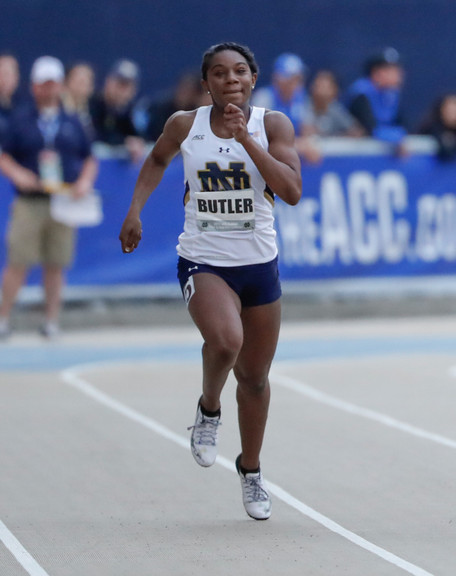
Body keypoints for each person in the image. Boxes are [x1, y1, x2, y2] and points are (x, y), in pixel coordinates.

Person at [118, 42, 302, 520]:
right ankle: (208, 409)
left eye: (239, 71)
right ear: (207, 84)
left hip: (259, 266)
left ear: (253, 79)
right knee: (225, 342)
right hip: (204, 261)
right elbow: (157, 160)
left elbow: (292, 191)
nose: (230, 80)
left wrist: (246, 142)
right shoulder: (185, 125)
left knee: (256, 378)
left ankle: (251, 469)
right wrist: (135, 209)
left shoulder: (272, 125)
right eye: (218, 73)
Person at [0, 56, 97, 340]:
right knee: (18, 260)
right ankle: (3, 317)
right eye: (44, 84)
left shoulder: (72, 120)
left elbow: (89, 157)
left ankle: (51, 320)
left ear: (60, 86)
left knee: (56, 263)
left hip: (63, 200)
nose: (49, 89)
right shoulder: (20, 119)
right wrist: (17, 174)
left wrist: (84, 181)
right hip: (30, 201)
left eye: (54, 84)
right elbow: (4, 154)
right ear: (34, 87)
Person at [345, 47, 407, 147]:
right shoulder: (361, 94)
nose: (399, 75)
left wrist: (400, 136)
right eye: (391, 70)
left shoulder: (392, 95)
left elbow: (401, 125)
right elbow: (371, 129)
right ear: (376, 72)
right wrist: (398, 138)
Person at [89, 58, 146, 163]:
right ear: (108, 82)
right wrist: (125, 143)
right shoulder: (92, 104)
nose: (123, 91)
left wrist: (136, 143)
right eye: (120, 84)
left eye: (128, 86)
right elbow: (95, 136)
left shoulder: (128, 110)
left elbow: (136, 135)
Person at [143, 71, 205, 142]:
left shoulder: (198, 113)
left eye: (188, 90)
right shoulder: (160, 108)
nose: (183, 93)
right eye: (182, 88)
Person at [303, 69, 364, 138]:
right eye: (318, 86)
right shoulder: (304, 106)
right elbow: (306, 132)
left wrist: (338, 136)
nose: (321, 91)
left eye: (325, 87)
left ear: (335, 90)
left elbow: (356, 131)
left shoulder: (335, 108)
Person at [62, 62, 96, 137]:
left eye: (88, 83)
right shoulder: (57, 107)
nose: (84, 87)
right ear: (67, 82)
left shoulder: (94, 109)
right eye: (81, 82)